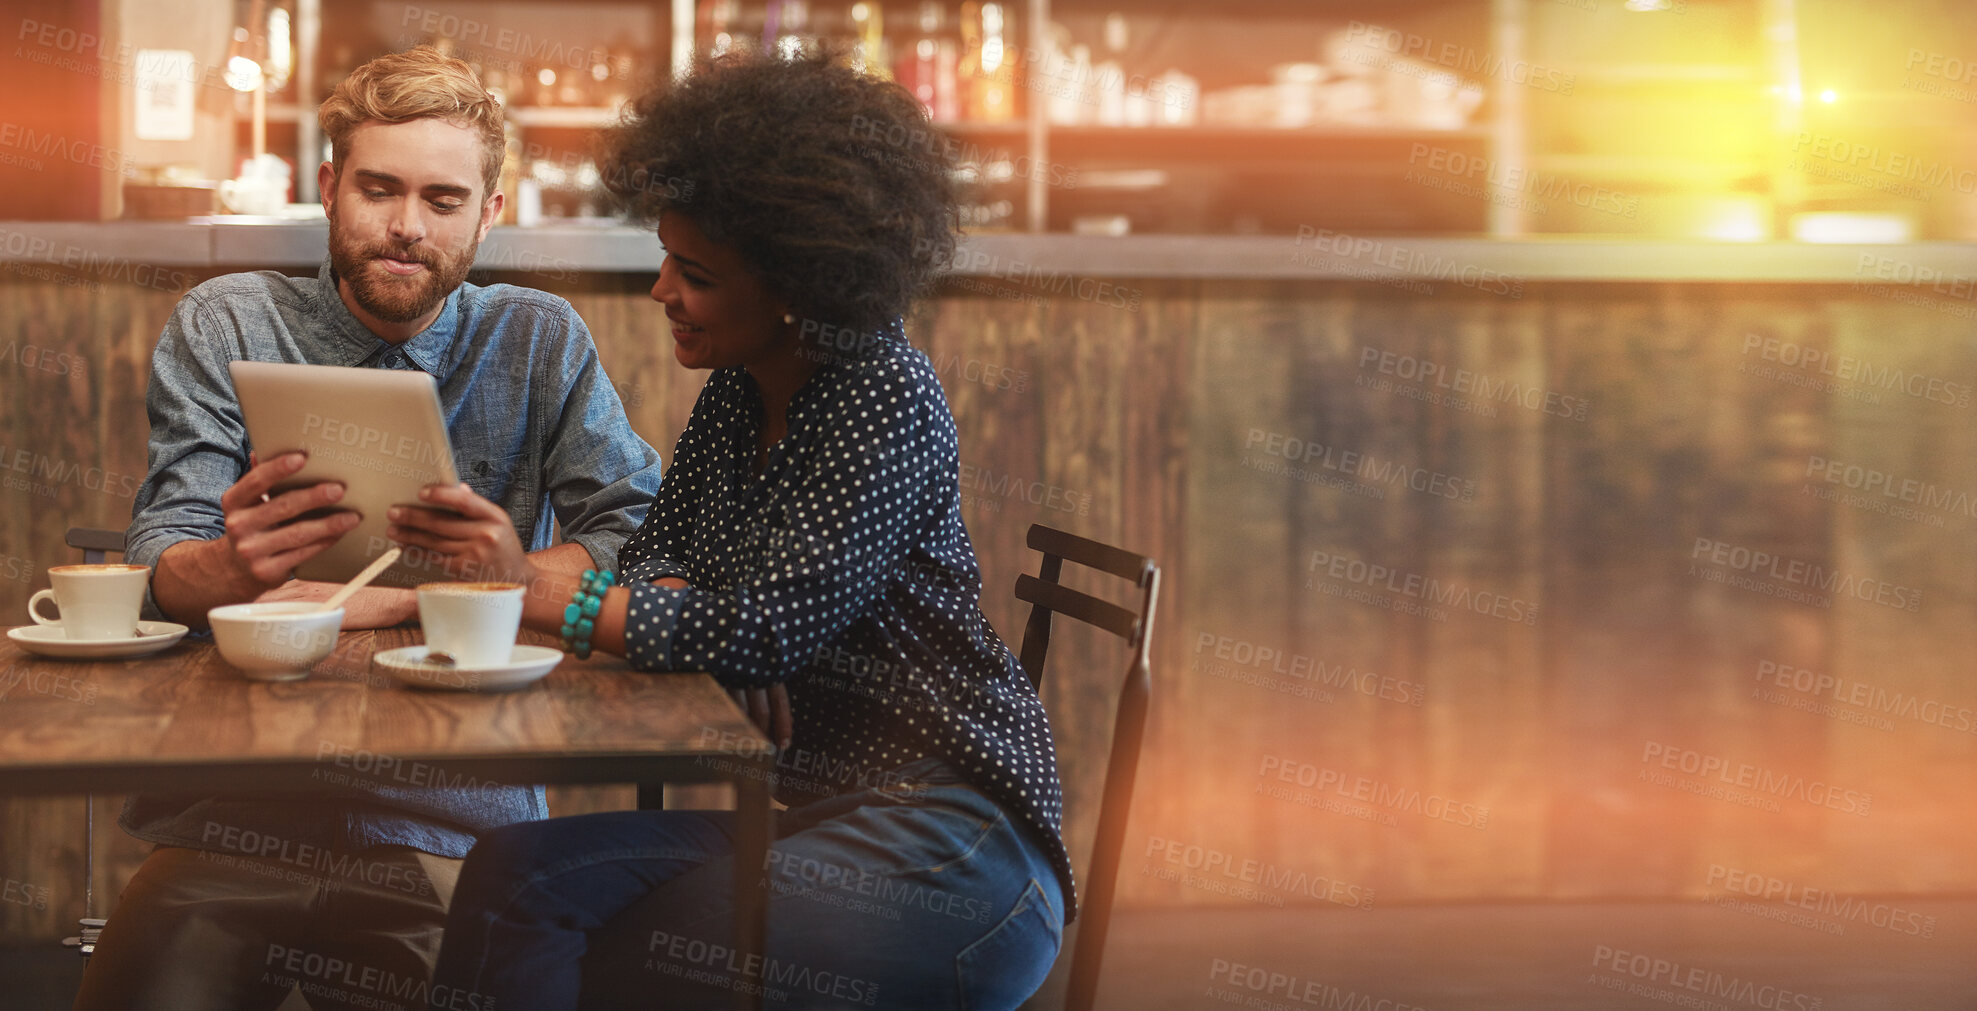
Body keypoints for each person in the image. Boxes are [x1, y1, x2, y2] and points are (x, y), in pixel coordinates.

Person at [401, 48, 1075, 1010]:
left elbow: (763, 629)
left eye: (697, 273)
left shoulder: (881, 394)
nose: (661, 291)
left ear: (797, 283)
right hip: (827, 812)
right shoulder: (736, 388)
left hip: (956, 844)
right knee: (512, 876)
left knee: (617, 957)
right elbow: (661, 551)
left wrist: (532, 583)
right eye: (667, 258)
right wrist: (694, 615)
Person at [75, 47, 663, 1010]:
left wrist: (411, 592)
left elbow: (635, 536)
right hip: (233, 819)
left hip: (455, 823)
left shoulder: (537, 336)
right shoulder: (226, 321)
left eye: (442, 199)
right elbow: (160, 560)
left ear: (489, 213)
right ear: (328, 187)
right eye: (378, 189)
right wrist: (226, 566)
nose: (404, 227)